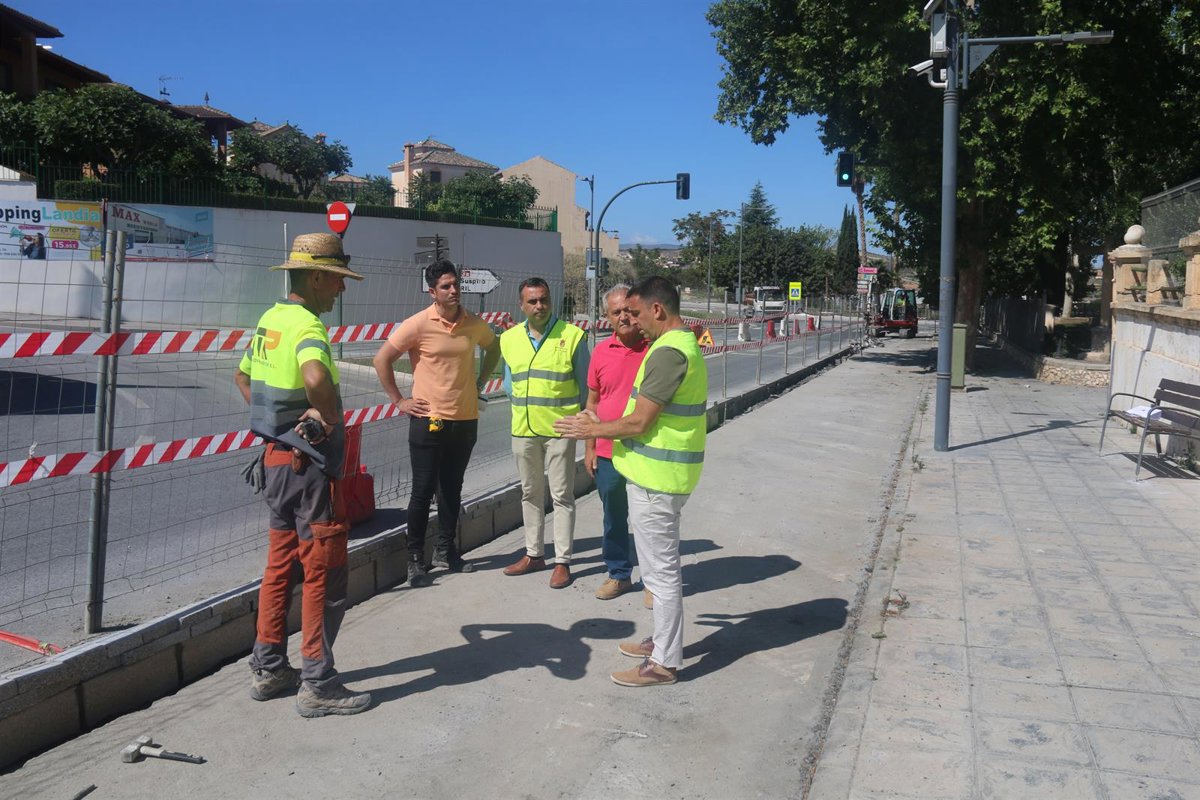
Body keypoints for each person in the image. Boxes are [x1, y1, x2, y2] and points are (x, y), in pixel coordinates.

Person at [234, 232, 371, 717]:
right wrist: (327, 420)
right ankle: (318, 683)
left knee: (279, 567)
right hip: (310, 473)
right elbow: (314, 377)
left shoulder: (270, 320)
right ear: (315, 277)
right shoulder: (309, 326)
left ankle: (269, 667)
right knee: (324, 574)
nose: (341, 289)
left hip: (275, 465)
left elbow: (243, 377)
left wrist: (280, 428)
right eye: (336, 280)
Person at [555, 276, 707, 687]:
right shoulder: (675, 345)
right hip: (660, 476)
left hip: (659, 480)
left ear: (657, 309)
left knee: (661, 575)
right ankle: (661, 642)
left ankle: (663, 663)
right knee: (658, 571)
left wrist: (592, 430)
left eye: (637, 313)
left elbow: (640, 421)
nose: (633, 321)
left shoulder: (668, 352)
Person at [373, 259, 501, 586]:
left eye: (456, 284)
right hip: (429, 421)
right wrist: (399, 400)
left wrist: (480, 381)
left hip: (465, 419)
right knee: (423, 490)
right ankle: (415, 559)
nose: (454, 290)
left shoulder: (474, 323)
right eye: (446, 286)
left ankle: (446, 550)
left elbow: (494, 347)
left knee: (452, 489)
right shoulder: (418, 324)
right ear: (433, 292)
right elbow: (381, 359)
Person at [499, 277, 590, 589]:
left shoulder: (573, 336)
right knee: (530, 493)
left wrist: (577, 423)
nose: (539, 306)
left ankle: (562, 561)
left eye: (544, 300)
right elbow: (509, 383)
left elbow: (586, 388)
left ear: (551, 301)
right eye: (533, 301)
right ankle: (534, 554)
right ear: (521, 305)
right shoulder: (509, 338)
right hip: (523, 430)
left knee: (562, 495)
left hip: (560, 430)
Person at [584, 284, 648, 601]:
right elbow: (592, 402)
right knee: (614, 517)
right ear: (607, 317)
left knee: (649, 518)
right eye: (616, 312)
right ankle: (619, 574)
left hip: (646, 450)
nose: (623, 317)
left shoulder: (655, 350)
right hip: (608, 452)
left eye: (628, 310)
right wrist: (589, 447)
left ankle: (654, 582)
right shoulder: (600, 352)